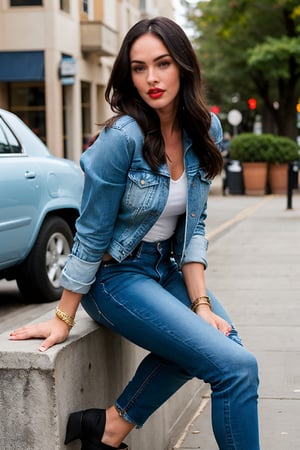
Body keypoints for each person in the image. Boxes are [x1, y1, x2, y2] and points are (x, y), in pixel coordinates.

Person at [9, 16, 260, 450]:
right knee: (232, 366)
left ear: (183, 66)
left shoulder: (205, 129)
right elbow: (89, 232)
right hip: (115, 279)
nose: (151, 79)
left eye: (162, 64)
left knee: (231, 357)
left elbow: (194, 225)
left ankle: (108, 427)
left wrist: (200, 303)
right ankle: (108, 427)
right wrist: (64, 316)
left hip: (168, 269)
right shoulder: (120, 139)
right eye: (139, 68)